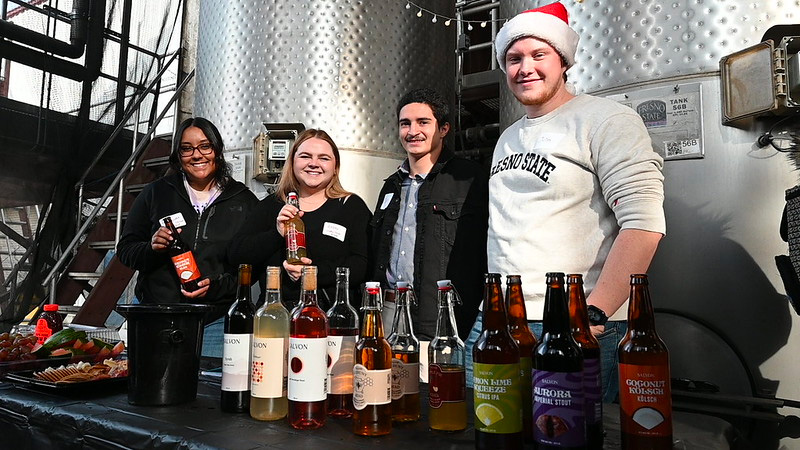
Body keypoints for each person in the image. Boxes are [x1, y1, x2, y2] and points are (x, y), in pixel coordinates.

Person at [464, 2, 666, 402]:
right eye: (514, 59)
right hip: (499, 318)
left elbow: (643, 225)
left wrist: (594, 313)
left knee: (569, 436)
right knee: (488, 431)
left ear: (563, 61)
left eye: (539, 55)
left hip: (571, 322)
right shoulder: (507, 137)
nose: (526, 68)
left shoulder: (606, 120)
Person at [117, 117, 259, 358]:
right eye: (187, 148)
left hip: (215, 322)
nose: (197, 155)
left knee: (208, 391)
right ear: (178, 155)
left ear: (217, 150)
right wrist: (152, 248)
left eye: (205, 146)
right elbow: (126, 249)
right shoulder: (157, 193)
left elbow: (252, 268)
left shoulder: (244, 201)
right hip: (157, 316)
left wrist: (215, 287)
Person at [370, 88, 488, 342]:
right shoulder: (391, 185)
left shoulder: (469, 180)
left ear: (444, 128)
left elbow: (483, 252)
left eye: (423, 122)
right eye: (405, 124)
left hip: (441, 316)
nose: (413, 132)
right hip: (388, 310)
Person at [228, 129, 371, 310]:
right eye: (305, 156)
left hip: (331, 318)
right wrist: (276, 233)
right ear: (292, 162)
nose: (314, 163)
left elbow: (361, 265)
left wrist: (312, 274)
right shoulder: (271, 206)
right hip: (275, 316)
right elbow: (237, 256)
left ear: (335, 167)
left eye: (324, 158)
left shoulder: (350, 206)